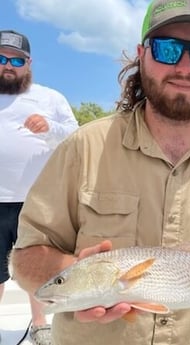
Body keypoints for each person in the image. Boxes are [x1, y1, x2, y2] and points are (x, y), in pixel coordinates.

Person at [10, 1, 190, 344]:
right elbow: (26, 258)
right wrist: (78, 277)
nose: (184, 66)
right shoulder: (83, 147)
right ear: (141, 55)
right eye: (167, 49)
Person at [0, 29, 79, 344]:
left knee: (35, 265)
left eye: (16, 59)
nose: (9, 65)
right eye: (2, 58)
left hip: (36, 203)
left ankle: (39, 323)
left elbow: (75, 137)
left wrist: (50, 127)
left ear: (28, 63)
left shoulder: (50, 97)